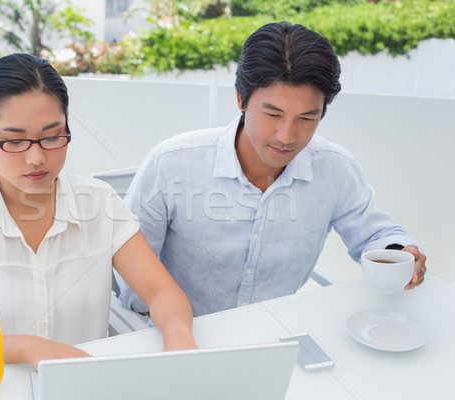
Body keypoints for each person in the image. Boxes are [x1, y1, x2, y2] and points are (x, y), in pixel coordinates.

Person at [117, 21, 427, 318]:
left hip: (279, 337)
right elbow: (130, 282)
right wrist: (174, 325)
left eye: (307, 118)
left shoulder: (335, 169)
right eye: (272, 113)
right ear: (241, 99)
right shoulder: (171, 164)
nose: (286, 136)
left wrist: (401, 252)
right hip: (180, 334)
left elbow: (377, 234)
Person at [0, 53, 196, 372]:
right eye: (15, 141)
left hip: (80, 386)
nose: (36, 158)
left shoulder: (97, 202)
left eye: (51, 136)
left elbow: (160, 290)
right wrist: (29, 347)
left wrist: (179, 337)